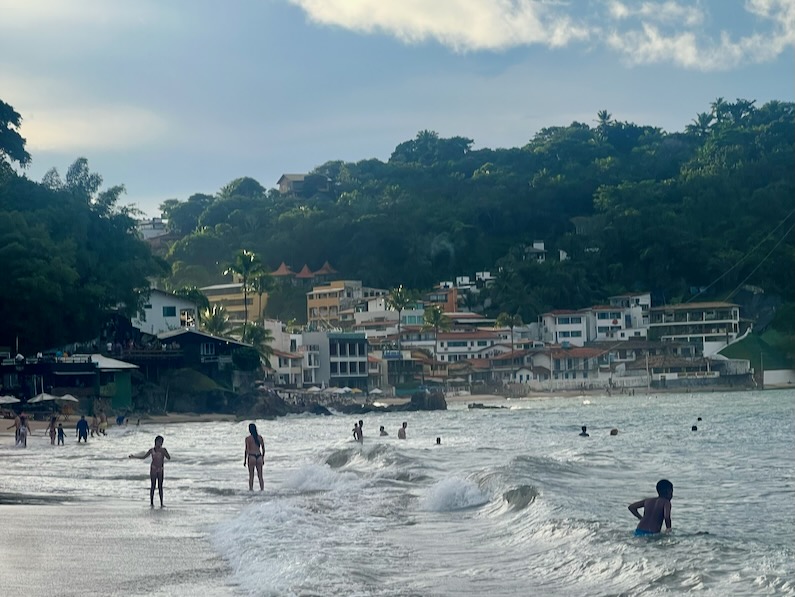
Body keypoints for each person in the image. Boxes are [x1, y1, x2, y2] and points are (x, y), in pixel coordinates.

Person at [129, 435, 171, 507]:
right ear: (155, 442)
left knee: (160, 486)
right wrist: (134, 456)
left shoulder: (163, 450)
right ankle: (151, 503)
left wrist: (164, 452)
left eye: (161, 442)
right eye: (159, 442)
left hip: (160, 469)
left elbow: (169, 458)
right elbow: (143, 457)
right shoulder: (151, 450)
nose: (160, 444)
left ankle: (161, 503)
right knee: (153, 486)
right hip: (153, 469)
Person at [244, 423, 265, 491]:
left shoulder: (248, 438)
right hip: (259, 456)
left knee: (251, 476)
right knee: (260, 476)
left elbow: (247, 449)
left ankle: (251, 490)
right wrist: (262, 457)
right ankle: (262, 490)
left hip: (251, 456)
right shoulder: (260, 437)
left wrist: (245, 460)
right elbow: (263, 449)